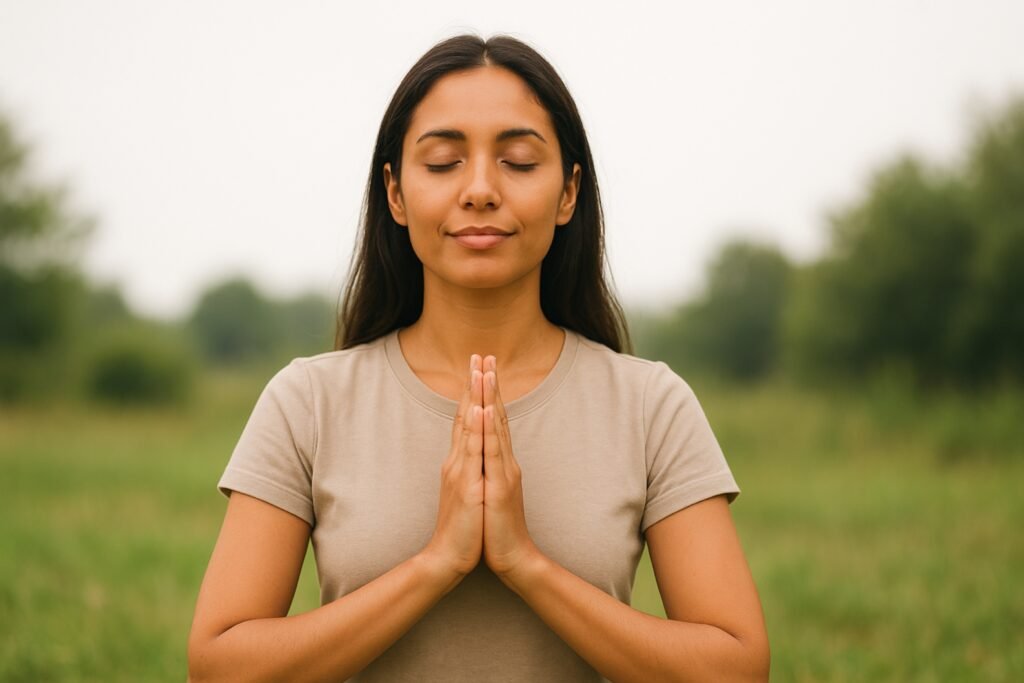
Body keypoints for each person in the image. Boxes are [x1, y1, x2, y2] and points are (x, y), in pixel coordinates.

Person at [187, 33, 769, 682]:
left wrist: (526, 565)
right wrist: (437, 563)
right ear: (395, 193)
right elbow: (219, 667)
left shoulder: (650, 406)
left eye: (519, 161)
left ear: (569, 192)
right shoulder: (308, 403)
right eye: (443, 163)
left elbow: (735, 668)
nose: (481, 189)